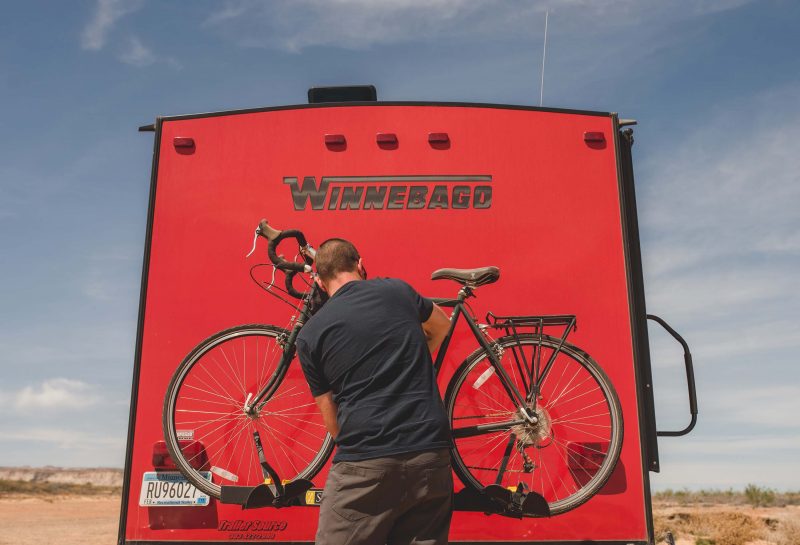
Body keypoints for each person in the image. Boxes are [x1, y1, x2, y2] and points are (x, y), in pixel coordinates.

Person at [296, 238, 453, 545]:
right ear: (360, 263)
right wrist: (418, 359)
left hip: (365, 468)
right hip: (430, 457)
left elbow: (334, 427)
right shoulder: (398, 290)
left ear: (319, 280)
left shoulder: (311, 335)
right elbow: (441, 325)